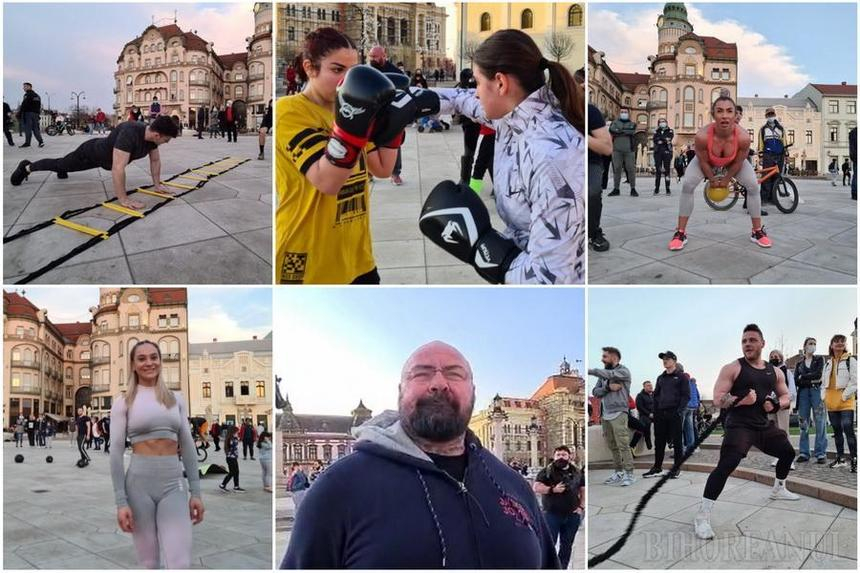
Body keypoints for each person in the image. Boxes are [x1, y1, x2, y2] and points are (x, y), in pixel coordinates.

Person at [281, 341, 559, 568]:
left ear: (473, 392)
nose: (439, 383)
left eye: (454, 373)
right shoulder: (338, 487)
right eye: (421, 373)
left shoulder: (512, 484)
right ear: (400, 392)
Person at [421, 29, 585, 285]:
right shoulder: (516, 117)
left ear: (500, 83)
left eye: (477, 82)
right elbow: (464, 101)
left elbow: (550, 279)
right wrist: (408, 99)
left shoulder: (553, 156)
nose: (475, 91)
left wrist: (489, 253)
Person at [276, 28, 400, 284]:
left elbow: (382, 169)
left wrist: (395, 124)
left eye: (352, 71)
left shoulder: (348, 106)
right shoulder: (289, 111)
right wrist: (354, 125)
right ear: (310, 67)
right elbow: (327, 181)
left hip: (357, 254)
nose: (346, 81)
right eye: (336, 70)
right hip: (309, 254)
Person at [694, 324, 798, 540]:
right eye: (744, 341)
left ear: (762, 343)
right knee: (726, 465)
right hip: (739, 425)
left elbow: (787, 396)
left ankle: (779, 488)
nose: (747, 344)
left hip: (762, 425)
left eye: (752, 340)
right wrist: (740, 400)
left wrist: (777, 404)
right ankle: (702, 516)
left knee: (787, 452)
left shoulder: (775, 371)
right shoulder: (733, 368)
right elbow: (717, 399)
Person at [109, 341, 204, 568]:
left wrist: (196, 492)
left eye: (153, 357)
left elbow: (188, 445)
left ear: (160, 361)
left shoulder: (176, 399)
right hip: (138, 485)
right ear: (132, 364)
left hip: (173, 483)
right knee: (149, 563)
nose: (148, 362)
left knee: (180, 562)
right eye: (141, 358)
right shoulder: (123, 403)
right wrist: (121, 502)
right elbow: (115, 451)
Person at [669, 93, 771, 251]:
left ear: (736, 115)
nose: (725, 116)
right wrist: (711, 178)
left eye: (729, 111)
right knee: (688, 184)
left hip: (732, 163)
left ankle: (757, 231)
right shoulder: (702, 136)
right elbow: (702, 161)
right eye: (720, 111)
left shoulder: (743, 138)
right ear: (713, 114)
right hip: (708, 161)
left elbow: (738, 162)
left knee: (752, 186)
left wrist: (727, 179)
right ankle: (680, 232)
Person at [11, 116, 179, 210]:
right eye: (167, 139)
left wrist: (157, 185)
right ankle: (27, 167)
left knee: (63, 166)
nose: (168, 142)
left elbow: (155, 160)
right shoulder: (130, 132)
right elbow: (118, 168)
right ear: (157, 135)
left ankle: (61, 170)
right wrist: (123, 199)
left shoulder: (152, 140)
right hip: (90, 154)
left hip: (103, 158)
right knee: (60, 164)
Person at [532, 445, 585, 569]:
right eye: (558, 455)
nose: (561, 457)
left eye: (564, 455)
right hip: (552, 515)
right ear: (554, 456)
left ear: (569, 456)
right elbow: (536, 487)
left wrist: (581, 507)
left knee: (567, 545)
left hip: (572, 515)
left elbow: (583, 489)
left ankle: (562, 568)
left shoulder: (576, 471)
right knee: (548, 545)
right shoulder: (547, 471)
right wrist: (552, 489)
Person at [589, 346, 635, 486]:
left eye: (605, 356)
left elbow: (611, 375)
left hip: (619, 412)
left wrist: (592, 371)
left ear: (614, 357)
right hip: (605, 414)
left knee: (623, 444)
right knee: (612, 445)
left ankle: (629, 474)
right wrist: (608, 388)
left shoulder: (623, 371)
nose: (602, 359)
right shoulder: (604, 376)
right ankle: (618, 472)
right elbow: (595, 392)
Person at [643, 351, 689, 479]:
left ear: (674, 361)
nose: (664, 361)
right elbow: (656, 396)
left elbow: (686, 396)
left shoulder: (681, 377)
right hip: (660, 415)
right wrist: (656, 411)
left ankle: (676, 468)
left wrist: (679, 411)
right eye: (663, 359)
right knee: (659, 442)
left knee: (677, 442)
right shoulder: (660, 378)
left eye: (667, 359)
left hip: (675, 413)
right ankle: (657, 467)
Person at [368, 45, 408, 186]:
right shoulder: (367, 70)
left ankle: (395, 173)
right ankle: (369, 172)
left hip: (391, 114)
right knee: (369, 143)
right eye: (371, 56)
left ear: (384, 56)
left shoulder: (395, 72)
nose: (372, 59)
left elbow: (404, 91)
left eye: (375, 56)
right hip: (372, 113)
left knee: (393, 143)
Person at [822, 334, 857, 472]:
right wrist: (823, 396)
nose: (839, 343)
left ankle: (855, 460)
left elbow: (855, 382)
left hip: (845, 401)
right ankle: (840, 459)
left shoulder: (851, 360)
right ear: (831, 345)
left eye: (842, 341)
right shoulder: (828, 362)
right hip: (831, 402)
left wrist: (844, 396)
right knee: (837, 432)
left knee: (848, 429)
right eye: (836, 341)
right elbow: (823, 383)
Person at [794, 337, 827, 464]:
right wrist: (806, 378)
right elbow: (796, 380)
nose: (812, 346)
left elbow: (818, 375)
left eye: (814, 344)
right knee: (803, 423)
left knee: (820, 421)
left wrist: (804, 377)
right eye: (810, 343)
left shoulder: (819, 359)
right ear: (805, 346)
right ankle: (804, 452)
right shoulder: (799, 364)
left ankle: (820, 453)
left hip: (816, 391)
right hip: (802, 393)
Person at [588, 103, 612, 252]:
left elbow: (607, 148)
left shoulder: (591, 112)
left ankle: (593, 232)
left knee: (593, 191)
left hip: (590, 160)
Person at [767, 350, 796, 469]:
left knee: (784, 431)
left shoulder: (787, 372)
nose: (774, 358)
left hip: (782, 403)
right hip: (770, 405)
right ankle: (778, 456)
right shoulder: (767, 372)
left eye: (776, 356)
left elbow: (792, 389)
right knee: (774, 432)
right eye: (771, 356)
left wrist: (788, 400)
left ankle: (790, 459)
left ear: (781, 358)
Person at [608, 108, 637, 197]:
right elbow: (612, 130)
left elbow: (632, 131)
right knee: (617, 169)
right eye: (622, 112)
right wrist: (625, 130)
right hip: (616, 150)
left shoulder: (633, 124)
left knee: (631, 169)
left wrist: (619, 130)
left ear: (629, 113)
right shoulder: (614, 122)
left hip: (629, 150)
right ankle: (616, 189)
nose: (624, 113)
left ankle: (633, 188)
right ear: (619, 113)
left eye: (625, 112)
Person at [630, 381, 654, 450]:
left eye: (651, 385)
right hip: (645, 415)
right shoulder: (640, 395)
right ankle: (647, 440)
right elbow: (639, 407)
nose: (650, 387)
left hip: (655, 415)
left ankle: (670, 440)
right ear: (644, 387)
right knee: (645, 424)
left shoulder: (654, 395)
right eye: (648, 385)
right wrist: (649, 414)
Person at [19, 82, 44, 148]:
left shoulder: (27, 95)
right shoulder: (37, 96)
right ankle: (41, 142)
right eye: (24, 87)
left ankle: (27, 143)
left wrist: (20, 113)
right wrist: (38, 114)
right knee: (35, 128)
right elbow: (39, 106)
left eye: (25, 86)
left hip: (28, 114)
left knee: (28, 129)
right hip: (35, 114)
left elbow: (24, 105)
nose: (23, 88)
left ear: (30, 87)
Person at [220, 424, 244, 492]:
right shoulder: (231, 439)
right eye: (236, 432)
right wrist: (236, 438)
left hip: (232, 458)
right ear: (233, 432)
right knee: (232, 472)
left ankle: (236, 486)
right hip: (231, 458)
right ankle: (223, 485)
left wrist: (236, 437)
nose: (238, 433)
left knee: (236, 472)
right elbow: (233, 444)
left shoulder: (231, 438)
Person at [653, 117, 674, 194]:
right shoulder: (656, 131)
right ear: (658, 123)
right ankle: (656, 188)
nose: (662, 123)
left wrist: (661, 139)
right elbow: (655, 140)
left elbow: (669, 138)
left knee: (667, 171)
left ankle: (667, 188)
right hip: (658, 153)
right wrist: (664, 139)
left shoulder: (670, 131)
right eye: (661, 122)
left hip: (667, 152)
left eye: (664, 121)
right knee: (658, 171)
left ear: (666, 122)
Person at [683, 376, 701, 455]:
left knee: (679, 429)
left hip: (684, 406)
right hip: (692, 407)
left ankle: (680, 450)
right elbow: (698, 396)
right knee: (690, 428)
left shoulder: (682, 381)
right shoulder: (693, 385)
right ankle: (691, 448)